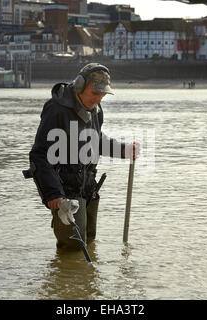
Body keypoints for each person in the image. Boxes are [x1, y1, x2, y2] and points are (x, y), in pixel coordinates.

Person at [28, 63, 139, 250]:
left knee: (89, 245)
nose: (98, 99)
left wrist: (123, 150)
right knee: (72, 251)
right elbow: (39, 155)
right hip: (65, 193)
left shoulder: (96, 109)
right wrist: (53, 193)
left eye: (102, 95)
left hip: (88, 189)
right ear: (79, 86)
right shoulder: (57, 109)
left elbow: (95, 141)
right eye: (94, 94)